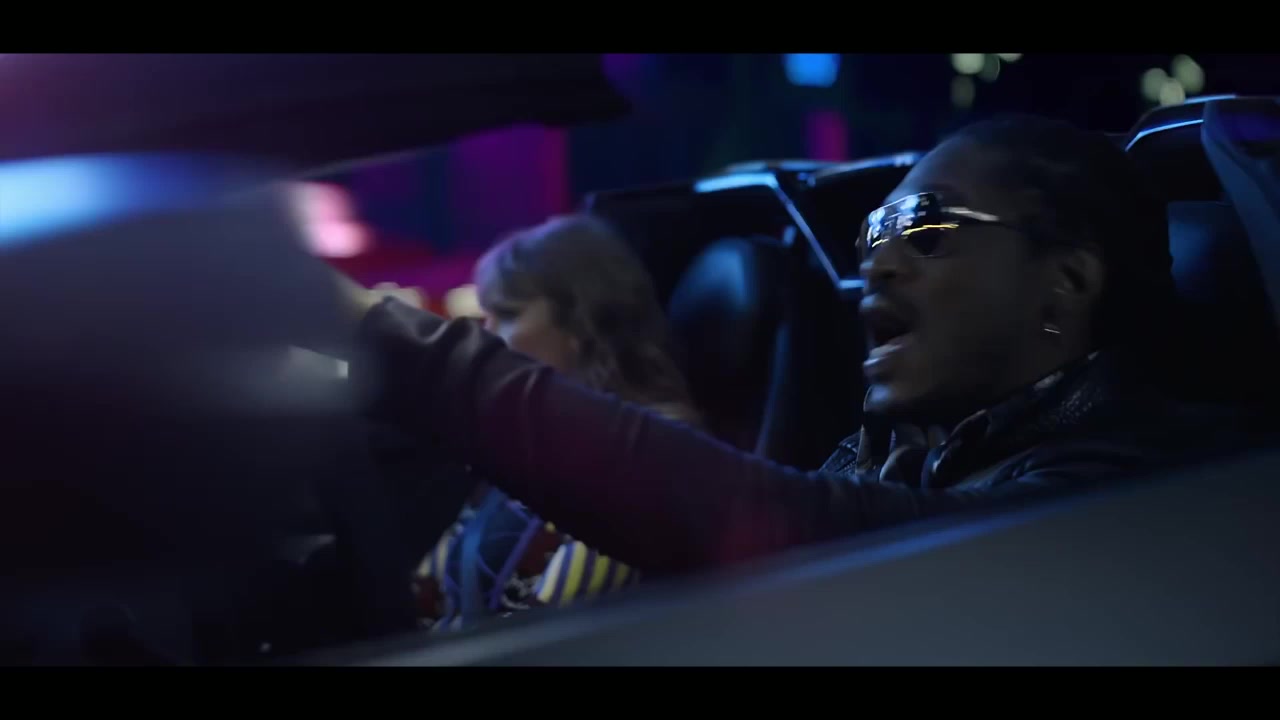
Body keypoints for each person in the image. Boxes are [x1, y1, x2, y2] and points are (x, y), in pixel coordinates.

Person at [338, 115, 1222, 577]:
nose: (875, 262)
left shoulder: (1130, 494)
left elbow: (760, 519)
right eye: (872, 233)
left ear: (1064, 282)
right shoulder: (909, 452)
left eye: (924, 229)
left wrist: (374, 331)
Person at [412, 214, 700, 629]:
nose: (486, 335)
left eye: (507, 314)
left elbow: (548, 637)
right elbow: (428, 594)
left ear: (582, 323)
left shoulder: (642, 456)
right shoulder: (523, 444)